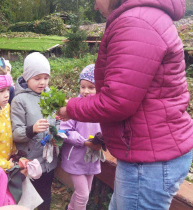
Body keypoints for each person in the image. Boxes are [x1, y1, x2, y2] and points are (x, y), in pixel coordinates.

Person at [57, 0, 193, 209]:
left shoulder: (136, 22)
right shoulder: (142, 17)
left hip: (149, 160)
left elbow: (117, 101)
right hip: (147, 151)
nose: (94, 6)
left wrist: (71, 108)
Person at [11, 52, 58, 210]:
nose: (42, 82)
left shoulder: (50, 95)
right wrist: (32, 130)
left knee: (45, 195)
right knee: (27, 198)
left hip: (48, 161)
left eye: (46, 78)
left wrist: (58, 124)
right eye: (37, 78)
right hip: (30, 161)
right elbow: (16, 133)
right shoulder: (19, 100)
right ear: (26, 77)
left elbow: (53, 122)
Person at [60, 64, 103, 210]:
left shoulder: (101, 108)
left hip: (92, 157)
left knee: (85, 192)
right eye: (83, 87)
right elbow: (64, 131)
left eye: (91, 87)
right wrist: (84, 142)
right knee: (83, 194)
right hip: (76, 158)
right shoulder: (74, 107)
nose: (86, 91)